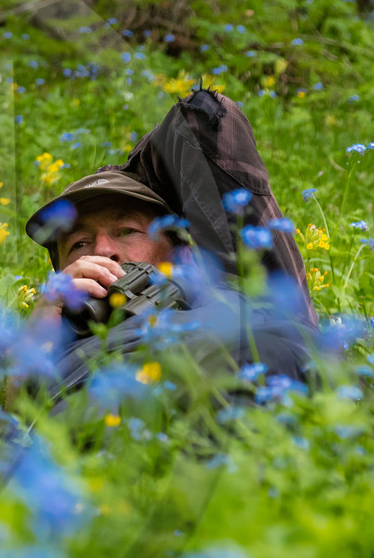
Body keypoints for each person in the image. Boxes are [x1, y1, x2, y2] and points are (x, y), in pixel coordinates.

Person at [23, 87, 316, 394]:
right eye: (79, 244)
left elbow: (201, 121)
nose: (103, 250)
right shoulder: (52, 348)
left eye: (127, 231)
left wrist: (132, 175)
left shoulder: (240, 303)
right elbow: (15, 428)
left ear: (183, 254)